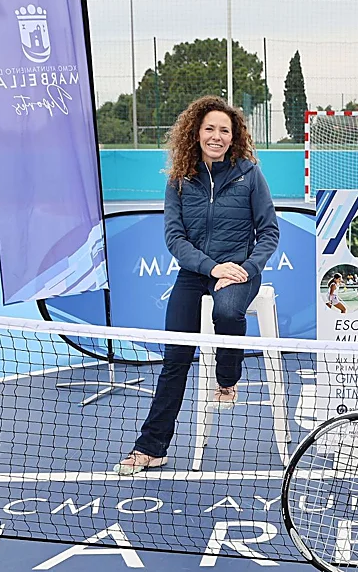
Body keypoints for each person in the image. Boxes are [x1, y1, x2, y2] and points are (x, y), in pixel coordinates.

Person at [116, 95, 280, 476]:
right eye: (210, 129)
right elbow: (175, 238)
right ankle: (151, 447)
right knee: (175, 360)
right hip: (196, 274)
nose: (217, 136)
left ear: (234, 136)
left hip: (241, 271)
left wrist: (245, 267)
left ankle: (227, 378)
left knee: (226, 310)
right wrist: (211, 268)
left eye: (225, 130)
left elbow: (269, 232)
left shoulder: (249, 173)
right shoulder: (179, 180)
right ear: (196, 132)